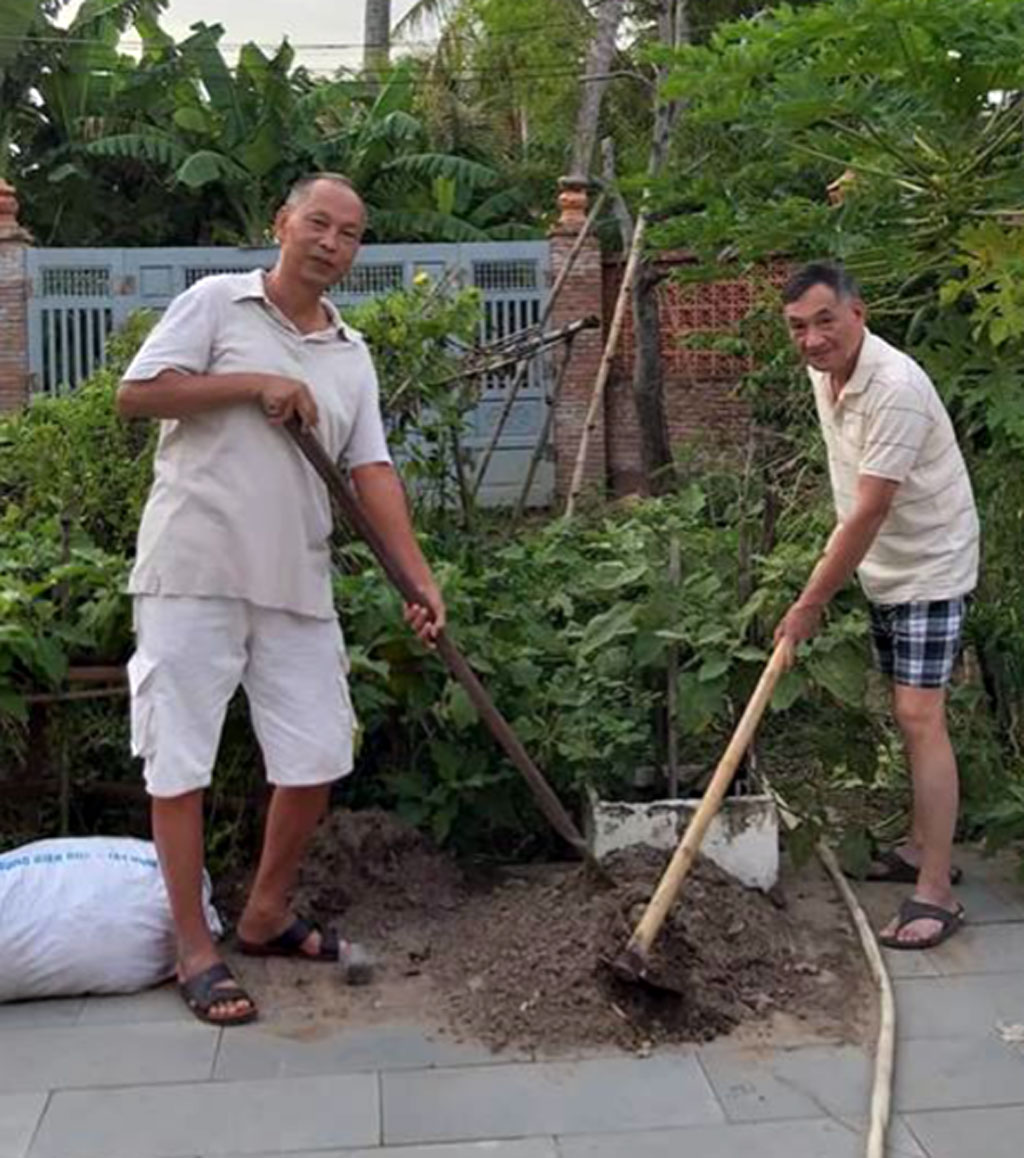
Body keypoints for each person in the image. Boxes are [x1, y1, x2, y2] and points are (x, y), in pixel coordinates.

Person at [117, 173, 445, 1024]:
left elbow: (371, 471)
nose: (331, 242)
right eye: (319, 223)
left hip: (296, 581)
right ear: (282, 224)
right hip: (193, 571)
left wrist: (417, 577)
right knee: (179, 761)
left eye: (349, 233)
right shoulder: (217, 304)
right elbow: (137, 393)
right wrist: (249, 383)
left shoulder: (350, 351)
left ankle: (263, 914)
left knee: (318, 756)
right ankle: (197, 948)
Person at [775, 261, 979, 951]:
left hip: (931, 562)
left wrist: (808, 604)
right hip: (886, 568)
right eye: (798, 327)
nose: (811, 339)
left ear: (858, 313)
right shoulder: (823, 373)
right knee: (908, 710)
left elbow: (868, 511)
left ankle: (937, 894)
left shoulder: (894, 386)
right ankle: (923, 846)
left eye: (825, 320)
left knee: (920, 715)